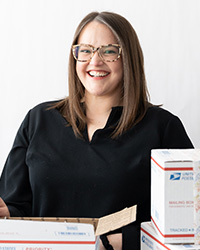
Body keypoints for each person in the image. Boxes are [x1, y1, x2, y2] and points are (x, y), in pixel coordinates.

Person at [0, 11, 193, 250]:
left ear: (128, 57)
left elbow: (187, 225)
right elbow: (16, 206)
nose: (95, 61)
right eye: (86, 50)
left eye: (109, 50)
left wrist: (113, 242)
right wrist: (7, 212)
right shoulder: (38, 120)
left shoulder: (162, 128)